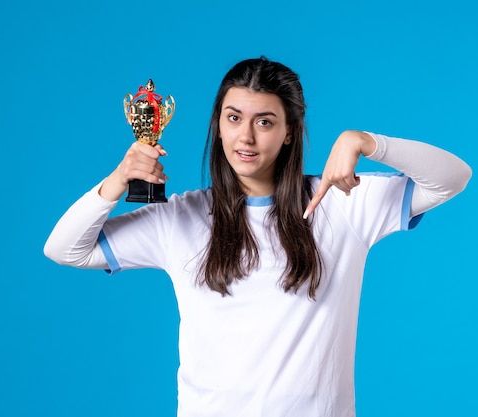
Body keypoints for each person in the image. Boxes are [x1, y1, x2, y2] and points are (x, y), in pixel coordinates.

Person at [43, 57, 471, 417]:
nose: (245, 137)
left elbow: (452, 178)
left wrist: (367, 142)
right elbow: (64, 250)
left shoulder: (341, 201)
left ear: (289, 132)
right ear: (219, 125)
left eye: (264, 122)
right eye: (234, 119)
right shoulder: (179, 217)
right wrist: (117, 181)